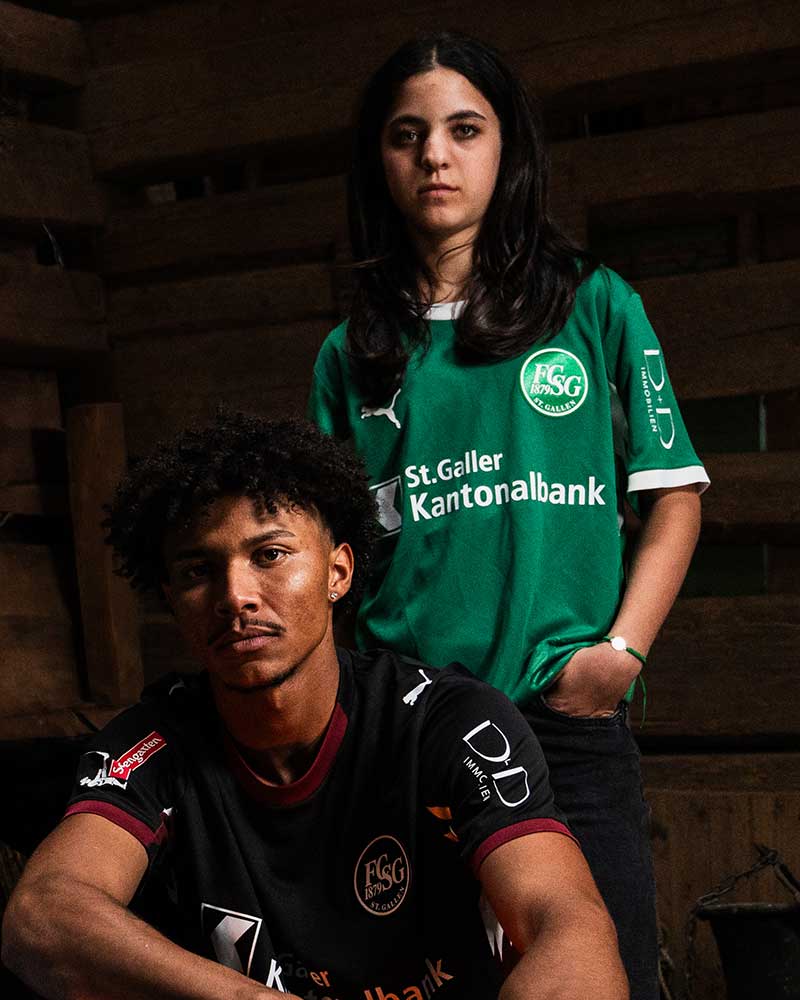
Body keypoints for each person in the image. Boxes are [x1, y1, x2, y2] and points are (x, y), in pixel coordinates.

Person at [307, 32, 709, 1000]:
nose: (435, 157)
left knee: (602, 976)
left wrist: (617, 656)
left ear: (507, 147)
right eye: (406, 135)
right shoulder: (350, 353)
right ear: (379, 160)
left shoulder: (593, 304)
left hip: (563, 715)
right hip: (409, 729)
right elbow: (330, 559)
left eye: (464, 129)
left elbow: (674, 495)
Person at [2, 412, 627, 1000]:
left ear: (338, 571)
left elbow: (568, 926)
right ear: (170, 596)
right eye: (198, 571)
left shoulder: (449, 722)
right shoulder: (153, 744)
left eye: (269, 555)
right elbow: (42, 916)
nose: (235, 596)